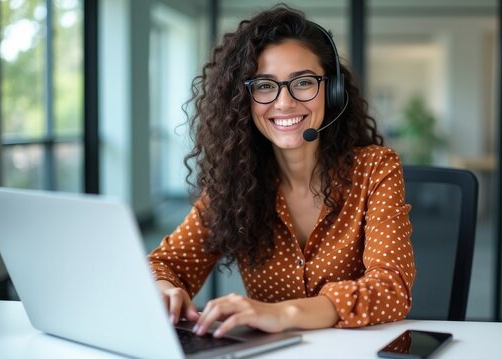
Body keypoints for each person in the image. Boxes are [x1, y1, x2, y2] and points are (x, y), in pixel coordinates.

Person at [148, 5, 415, 339]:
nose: (284, 103)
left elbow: (392, 289)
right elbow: (165, 263)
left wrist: (282, 313)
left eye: (302, 82)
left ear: (330, 90)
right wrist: (163, 289)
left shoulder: (375, 169)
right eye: (264, 86)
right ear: (244, 99)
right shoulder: (234, 185)